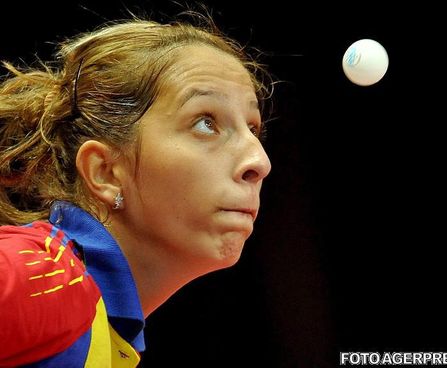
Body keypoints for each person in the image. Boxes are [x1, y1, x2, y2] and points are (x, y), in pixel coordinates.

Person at [0, 15, 272, 367]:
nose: (259, 161)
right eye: (206, 122)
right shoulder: (44, 276)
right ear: (106, 172)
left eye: (253, 127)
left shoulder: (103, 329)